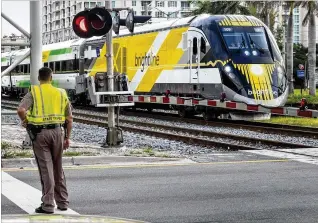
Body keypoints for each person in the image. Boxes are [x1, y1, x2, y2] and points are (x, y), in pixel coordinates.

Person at [17, 67, 73, 214]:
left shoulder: (34, 92)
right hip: (58, 132)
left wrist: (26, 122)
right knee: (58, 167)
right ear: (51, 77)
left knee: (46, 170)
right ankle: (63, 203)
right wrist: (67, 137)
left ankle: (48, 205)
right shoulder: (61, 93)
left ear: (38, 78)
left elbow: (21, 110)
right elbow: (69, 118)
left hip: (40, 135)